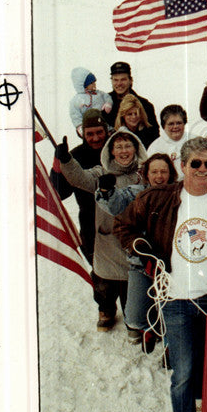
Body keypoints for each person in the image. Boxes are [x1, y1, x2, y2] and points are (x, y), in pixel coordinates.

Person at [114, 136, 207, 412]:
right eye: (195, 164)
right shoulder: (157, 198)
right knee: (182, 372)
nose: (202, 171)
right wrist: (144, 248)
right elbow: (123, 226)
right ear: (182, 165)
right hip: (176, 299)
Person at [57, 127, 147, 331]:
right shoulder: (101, 173)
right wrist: (66, 161)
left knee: (131, 287)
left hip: (134, 243)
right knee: (104, 285)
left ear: (136, 148)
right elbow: (79, 178)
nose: (124, 151)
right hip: (107, 243)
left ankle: (133, 316)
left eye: (128, 146)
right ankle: (105, 309)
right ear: (111, 151)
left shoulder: (144, 174)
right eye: (119, 147)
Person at [95, 153, 178, 348]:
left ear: (171, 174)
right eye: (155, 171)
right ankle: (149, 327)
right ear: (146, 174)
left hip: (172, 266)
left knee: (174, 315)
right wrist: (107, 191)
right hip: (142, 264)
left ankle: (170, 344)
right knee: (133, 317)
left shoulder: (178, 194)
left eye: (163, 171)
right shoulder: (137, 193)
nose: (159, 176)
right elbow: (115, 204)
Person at [50, 108, 108, 265]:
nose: (95, 138)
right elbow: (59, 193)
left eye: (99, 132)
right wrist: (59, 163)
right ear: (83, 134)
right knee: (102, 280)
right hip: (91, 230)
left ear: (106, 130)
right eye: (90, 134)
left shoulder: (117, 150)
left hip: (118, 227)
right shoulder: (74, 157)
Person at [109, 60, 158, 129]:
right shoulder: (103, 103)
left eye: (123, 79)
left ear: (130, 80)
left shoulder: (145, 105)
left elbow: (154, 134)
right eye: (115, 80)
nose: (119, 83)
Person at [147, 105, 190, 176]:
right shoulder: (154, 147)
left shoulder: (195, 141)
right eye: (171, 124)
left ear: (184, 123)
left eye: (179, 123)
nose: (175, 127)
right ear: (164, 126)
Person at [69, 67, 113, 135]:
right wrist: (79, 126)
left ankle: (109, 131)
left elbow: (107, 97)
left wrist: (108, 104)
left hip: (103, 120)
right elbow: (75, 114)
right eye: (91, 83)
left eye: (94, 82)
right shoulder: (77, 100)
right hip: (89, 126)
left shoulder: (99, 93)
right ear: (84, 85)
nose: (94, 84)